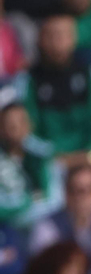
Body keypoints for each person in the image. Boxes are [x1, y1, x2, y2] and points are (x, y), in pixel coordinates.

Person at [15, 14, 91, 167]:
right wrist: (54, 156)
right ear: (40, 39)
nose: (57, 42)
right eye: (51, 35)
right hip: (47, 160)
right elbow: (22, 132)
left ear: (74, 38)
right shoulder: (27, 79)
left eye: (63, 35)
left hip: (89, 156)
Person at [0, 102, 62, 256]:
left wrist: (22, 206)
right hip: (7, 228)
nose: (15, 128)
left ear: (29, 124)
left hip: (42, 225)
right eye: (9, 123)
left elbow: (54, 200)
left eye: (20, 121)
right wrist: (29, 199)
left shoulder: (42, 155)